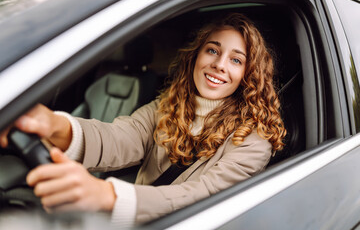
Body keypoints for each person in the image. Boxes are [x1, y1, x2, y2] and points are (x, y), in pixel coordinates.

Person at [0, 13, 286, 227]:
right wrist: (54, 125)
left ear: (249, 74)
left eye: (236, 60)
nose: (219, 64)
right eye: (212, 50)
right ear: (196, 55)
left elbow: (202, 196)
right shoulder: (167, 106)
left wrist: (108, 196)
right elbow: (120, 138)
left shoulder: (254, 140)